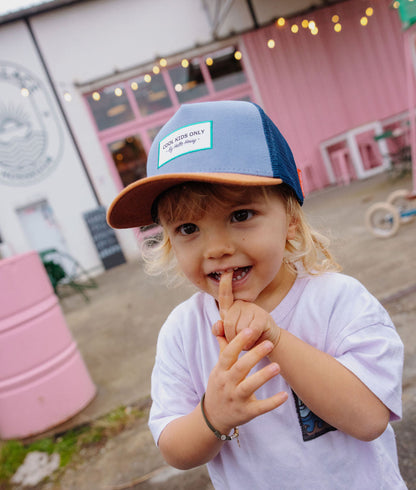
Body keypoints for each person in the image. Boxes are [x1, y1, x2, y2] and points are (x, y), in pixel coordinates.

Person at [107, 100, 405, 489]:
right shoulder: (184, 332)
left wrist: (275, 337)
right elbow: (174, 450)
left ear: (291, 222)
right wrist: (212, 417)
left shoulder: (336, 300)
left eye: (240, 215)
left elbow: (369, 419)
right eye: (188, 229)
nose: (216, 248)